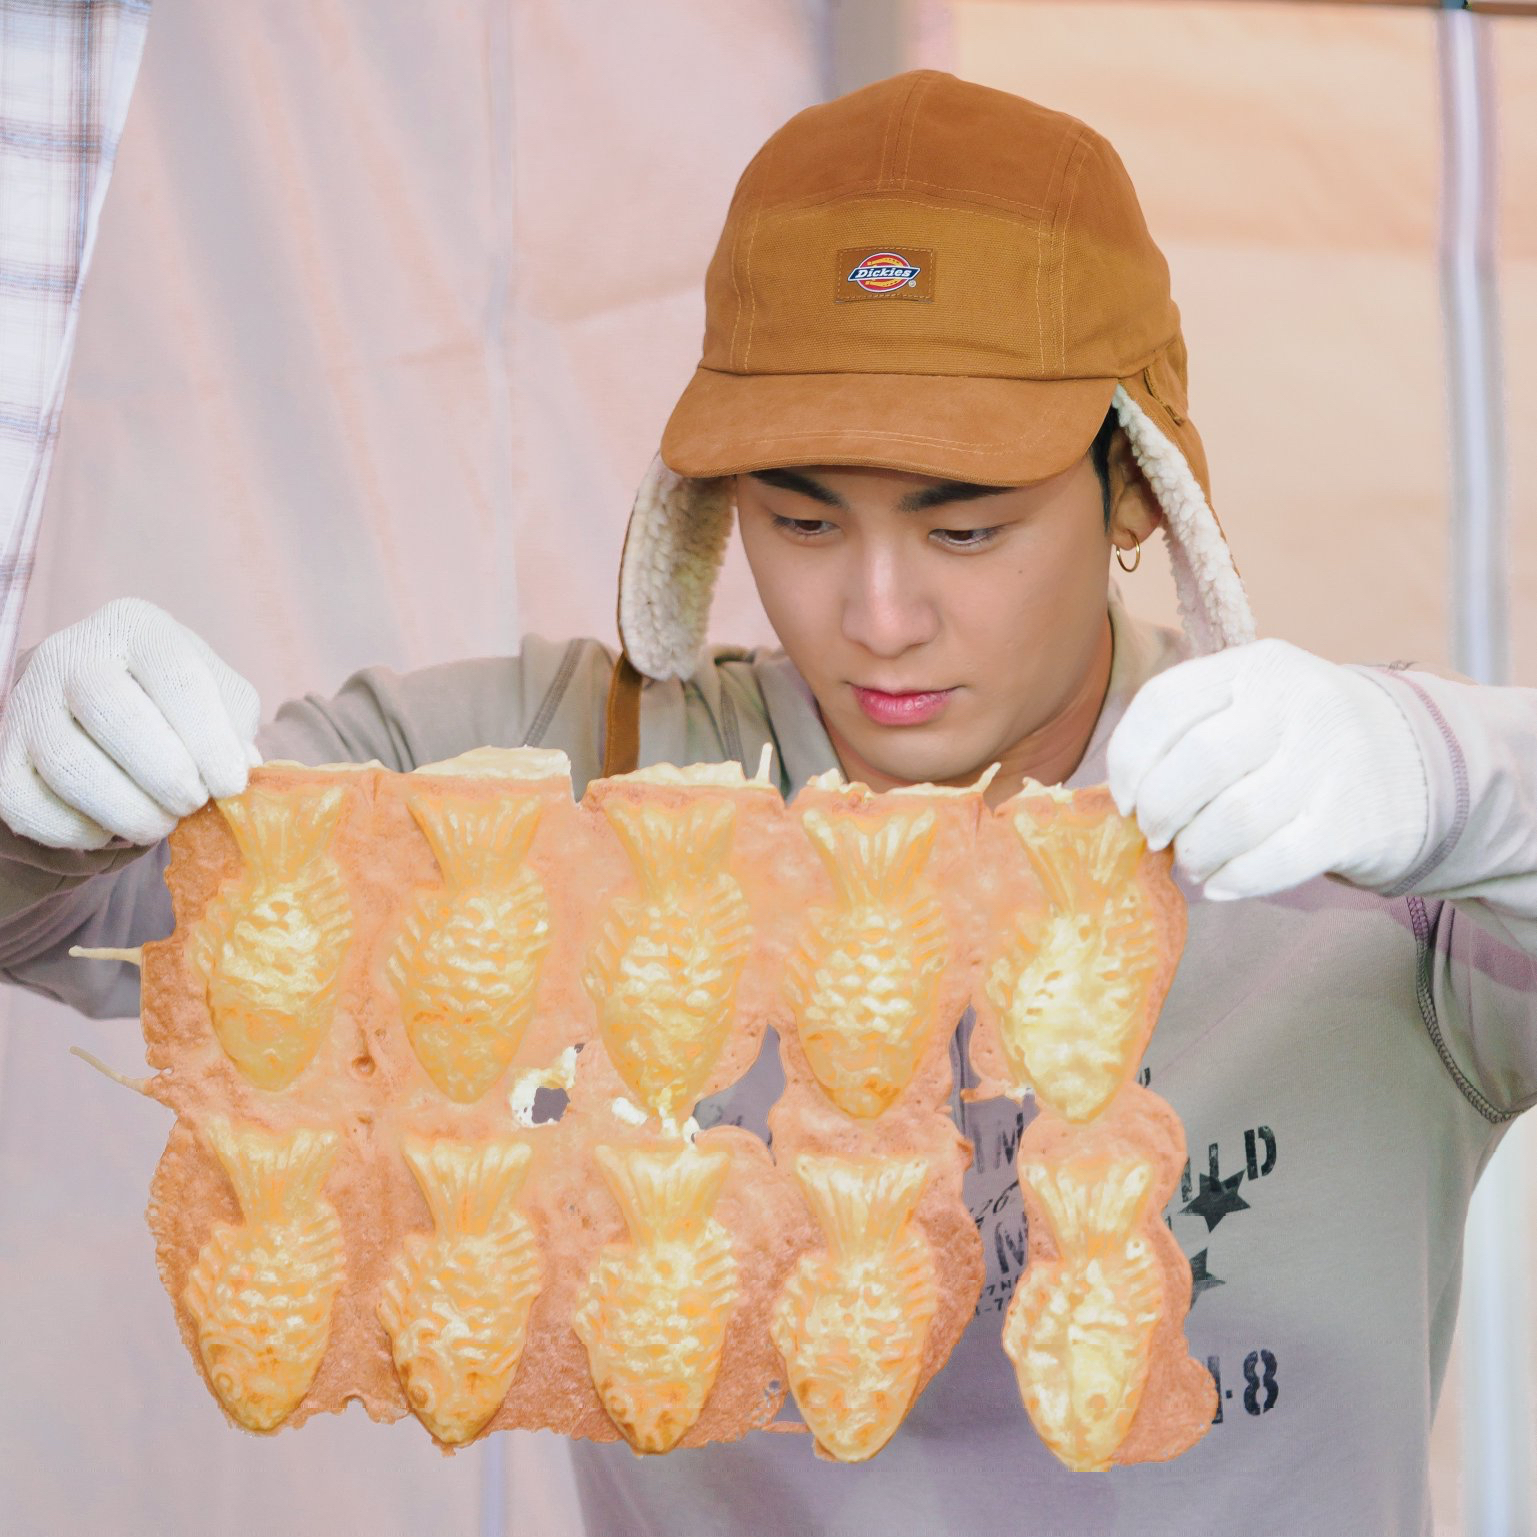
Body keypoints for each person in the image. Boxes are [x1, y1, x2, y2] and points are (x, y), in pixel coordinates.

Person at [0, 69, 1533, 1537]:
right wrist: (43, 795)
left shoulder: (1341, 822)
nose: (874, 613)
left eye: (966, 527)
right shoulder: (547, 783)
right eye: (799, 517)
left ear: (1134, 488)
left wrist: (1453, 777)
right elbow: (70, 913)